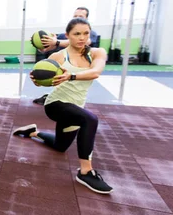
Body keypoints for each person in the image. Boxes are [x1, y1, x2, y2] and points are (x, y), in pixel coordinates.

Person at [13, 17, 113, 195]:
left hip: (75, 107)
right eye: (76, 34)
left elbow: (95, 72)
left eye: (85, 33)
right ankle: (86, 172)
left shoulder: (98, 53)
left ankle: (33, 132)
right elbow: (45, 80)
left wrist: (71, 76)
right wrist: (38, 80)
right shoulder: (58, 56)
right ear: (68, 35)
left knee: (61, 146)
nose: (81, 38)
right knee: (90, 120)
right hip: (56, 104)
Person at [34, 7, 99, 105]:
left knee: (76, 94)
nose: (76, 18)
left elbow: (84, 42)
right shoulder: (64, 35)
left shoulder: (90, 33)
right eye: (75, 16)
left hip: (80, 69)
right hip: (63, 67)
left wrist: (56, 42)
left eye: (80, 16)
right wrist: (40, 43)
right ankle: (51, 99)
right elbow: (45, 49)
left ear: (86, 19)